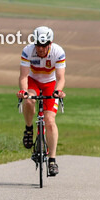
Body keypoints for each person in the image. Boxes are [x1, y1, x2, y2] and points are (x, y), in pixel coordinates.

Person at [18, 25, 66, 175]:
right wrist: (24, 91)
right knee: (29, 100)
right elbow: (24, 76)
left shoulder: (58, 52)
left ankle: (52, 160)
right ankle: (28, 129)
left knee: (50, 121)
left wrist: (58, 91)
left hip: (50, 83)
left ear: (49, 44)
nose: (40, 49)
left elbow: (60, 78)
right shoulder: (27, 50)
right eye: (38, 45)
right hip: (33, 81)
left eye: (44, 46)